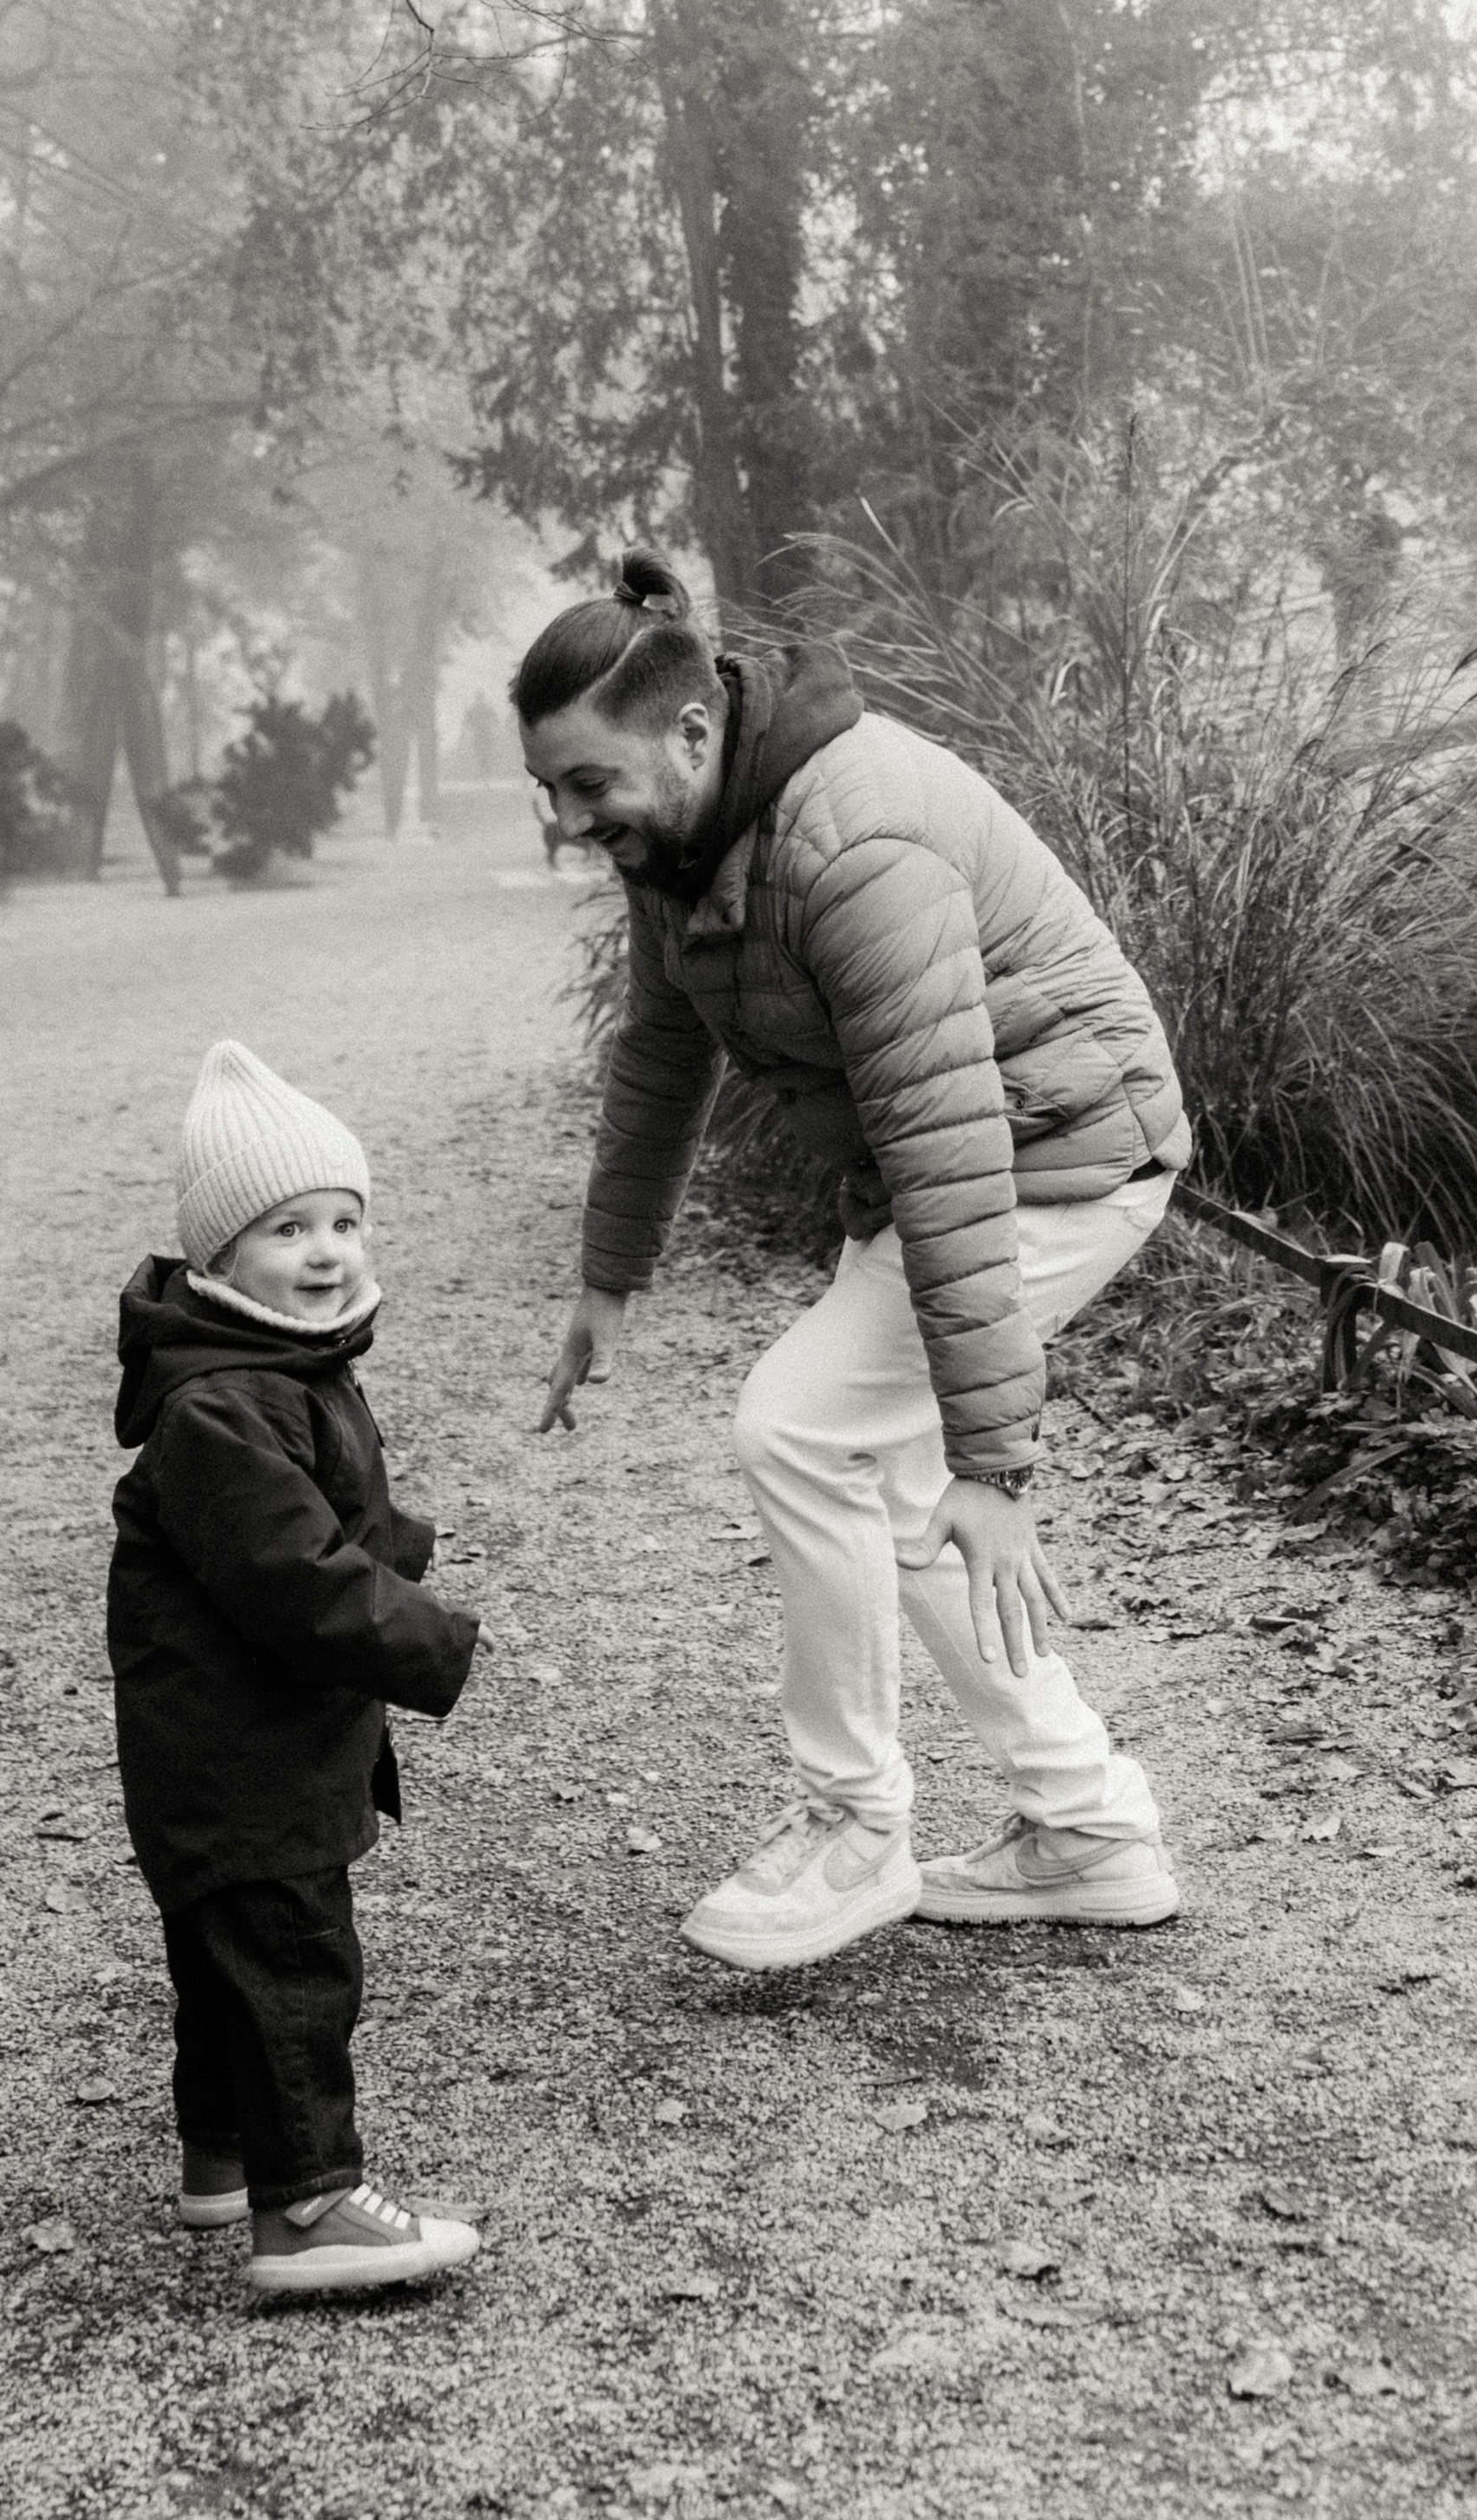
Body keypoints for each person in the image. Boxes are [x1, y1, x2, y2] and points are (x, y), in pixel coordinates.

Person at [519, 551, 1191, 1972]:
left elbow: (952, 1149)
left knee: (801, 1426)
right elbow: (658, 1054)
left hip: (1062, 1153)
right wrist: (611, 1271)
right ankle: (1088, 1828)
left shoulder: (853, 844)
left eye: (589, 786)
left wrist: (999, 1469)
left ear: (691, 733)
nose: (572, 822)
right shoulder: (687, 842)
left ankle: (852, 1824)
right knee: (881, 1483)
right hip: (979, 1155)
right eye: (555, 792)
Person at [108, 1038, 483, 2295]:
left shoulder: (285, 1369)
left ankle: (223, 2157)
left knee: (231, 1971)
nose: (328, 1254)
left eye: (345, 1221)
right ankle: (311, 2199)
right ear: (219, 1262)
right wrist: (432, 1636)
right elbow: (293, 1577)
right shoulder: (221, 1408)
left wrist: (400, 1544)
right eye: (287, 1231)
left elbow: (321, 1517)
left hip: (241, 1752)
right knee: (291, 1969)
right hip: (240, 1757)